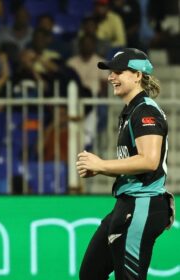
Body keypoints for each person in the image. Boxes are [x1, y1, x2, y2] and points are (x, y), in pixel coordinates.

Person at [76, 48, 175, 279]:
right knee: (90, 273)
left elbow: (149, 161)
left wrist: (102, 165)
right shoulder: (132, 111)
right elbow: (137, 163)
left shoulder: (145, 111)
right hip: (128, 203)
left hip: (142, 204)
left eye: (118, 71)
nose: (111, 77)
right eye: (111, 72)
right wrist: (101, 169)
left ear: (138, 75)